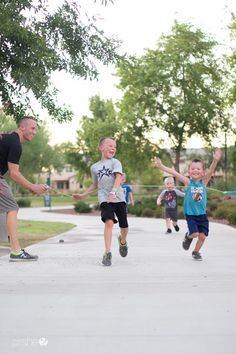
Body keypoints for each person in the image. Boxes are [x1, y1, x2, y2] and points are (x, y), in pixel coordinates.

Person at [153, 149, 222, 260]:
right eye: (193, 168)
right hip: (190, 214)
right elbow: (174, 173)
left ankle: (195, 252)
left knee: (203, 236)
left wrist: (215, 160)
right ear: (189, 171)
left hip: (202, 215)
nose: (195, 170)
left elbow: (211, 171)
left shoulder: (203, 182)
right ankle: (188, 236)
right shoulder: (188, 182)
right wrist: (161, 166)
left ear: (203, 172)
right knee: (194, 234)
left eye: (198, 169)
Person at [73, 137, 128, 266]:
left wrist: (113, 192)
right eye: (109, 145)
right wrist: (83, 195)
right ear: (101, 148)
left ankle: (123, 241)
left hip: (118, 198)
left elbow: (118, 178)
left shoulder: (116, 162)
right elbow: (95, 184)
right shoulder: (94, 167)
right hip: (104, 198)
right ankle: (107, 252)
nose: (113, 148)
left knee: (124, 226)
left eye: (114, 146)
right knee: (109, 222)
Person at [0, 116, 48, 261]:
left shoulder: (7, 137)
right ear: (22, 127)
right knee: (11, 208)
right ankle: (16, 251)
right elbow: (14, 174)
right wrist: (33, 186)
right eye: (32, 128)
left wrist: (30, 188)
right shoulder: (15, 143)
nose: (34, 132)